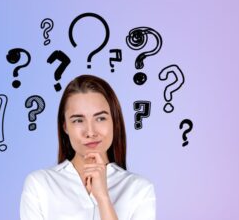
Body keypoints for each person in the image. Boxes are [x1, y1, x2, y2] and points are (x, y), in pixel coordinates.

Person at [20, 74, 156, 220]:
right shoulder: (39, 185)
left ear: (114, 122)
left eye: (100, 118)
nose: (90, 132)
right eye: (78, 120)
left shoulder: (139, 190)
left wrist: (103, 198)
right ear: (65, 126)